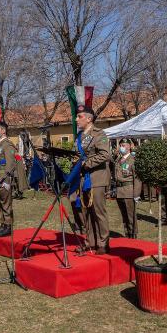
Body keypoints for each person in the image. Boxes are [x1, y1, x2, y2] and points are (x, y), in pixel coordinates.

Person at [74, 105, 111, 254]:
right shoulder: (80, 137)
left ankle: (103, 243)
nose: (76, 119)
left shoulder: (99, 134)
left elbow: (105, 154)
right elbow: (78, 155)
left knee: (98, 211)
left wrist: (85, 163)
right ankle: (90, 242)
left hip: (97, 178)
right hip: (84, 179)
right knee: (86, 212)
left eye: (79, 116)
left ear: (89, 119)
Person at [0, 121, 17, 237]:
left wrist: (5, 178)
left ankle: (8, 226)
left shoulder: (7, 144)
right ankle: (3, 224)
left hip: (3, 177)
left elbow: (10, 164)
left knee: (5, 202)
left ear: (3, 131)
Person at [114, 138, 141, 238]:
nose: (121, 147)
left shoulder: (133, 160)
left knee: (131, 216)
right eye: (120, 145)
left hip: (129, 191)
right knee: (124, 216)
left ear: (129, 146)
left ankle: (133, 235)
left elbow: (137, 179)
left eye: (124, 145)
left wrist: (136, 194)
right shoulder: (118, 159)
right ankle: (127, 234)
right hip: (119, 191)